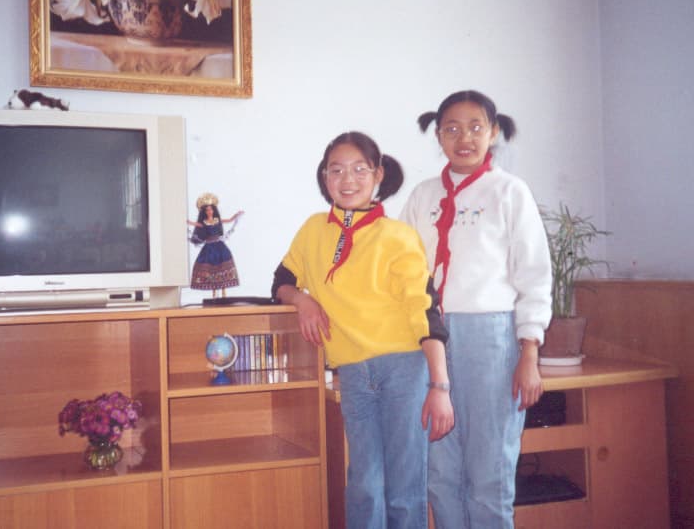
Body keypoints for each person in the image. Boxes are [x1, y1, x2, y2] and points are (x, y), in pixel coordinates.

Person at [271, 131, 453, 529]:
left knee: (405, 489)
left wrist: (440, 387)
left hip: (404, 368)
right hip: (353, 372)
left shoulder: (398, 236)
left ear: (378, 175)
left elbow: (424, 312)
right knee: (364, 486)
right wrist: (302, 300)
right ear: (324, 177)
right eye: (336, 170)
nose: (347, 179)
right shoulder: (313, 230)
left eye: (359, 169)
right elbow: (281, 281)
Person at [400, 90, 552, 529]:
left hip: (491, 341)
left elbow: (534, 275)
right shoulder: (422, 195)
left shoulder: (510, 192)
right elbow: (403, 270)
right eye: (451, 129)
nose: (463, 138)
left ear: (493, 132)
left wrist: (529, 353)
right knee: (440, 470)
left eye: (475, 127)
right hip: (429, 340)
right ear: (438, 135)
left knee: (490, 472)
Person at [187, 193, 243, 298]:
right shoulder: (203, 223)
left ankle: (224, 293)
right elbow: (193, 223)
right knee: (210, 268)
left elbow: (229, 220)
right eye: (207, 210)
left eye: (211, 210)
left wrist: (237, 215)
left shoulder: (218, 220)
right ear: (204, 212)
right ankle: (214, 293)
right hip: (209, 248)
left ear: (214, 210)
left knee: (222, 267)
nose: (209, 212)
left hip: (220, 246)